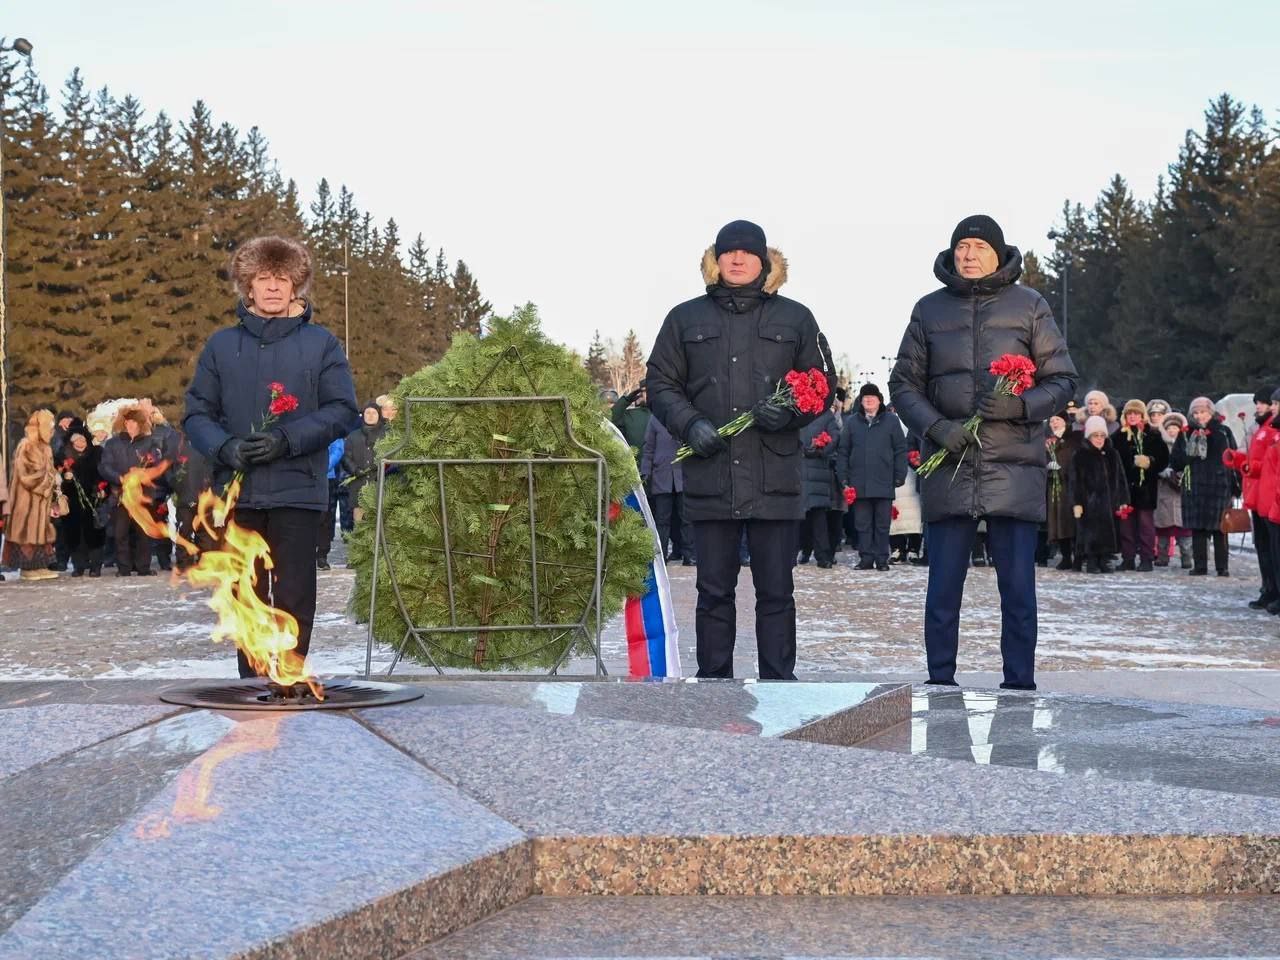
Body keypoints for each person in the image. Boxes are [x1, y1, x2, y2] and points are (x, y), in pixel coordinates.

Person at [889, 214, 1077, 691]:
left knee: (1017, 591)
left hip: (1013, 469)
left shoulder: (1030, 306)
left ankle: (1019, 685)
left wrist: (1020, 405)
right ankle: (940, 683)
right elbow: (903, 384)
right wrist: (936, 426)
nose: (968, 255)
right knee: (942, 591)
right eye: (962, 247)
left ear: (998, 252)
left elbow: (1063, 380)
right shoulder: (928, 310)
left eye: (978, 247)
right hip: (949, 466)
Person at [647, 219, 831, 680]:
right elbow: (660, 382)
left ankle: (778, 684)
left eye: (747, 252)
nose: (737, 259)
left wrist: (788, 415)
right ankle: (713, 682)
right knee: (713, 592)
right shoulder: (684, 318)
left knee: (775, 592)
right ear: (715, 260)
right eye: (728, 252)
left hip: (775, 478)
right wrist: (691, 425)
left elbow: (822, 386)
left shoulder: (796, 318)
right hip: (712, 475)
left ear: (764, 261)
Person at [184, 235, 358, 679]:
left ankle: (293, 676)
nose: (274, 287)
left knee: (296, 594)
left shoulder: (322, 344)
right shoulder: (222, 346)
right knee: (246, 593)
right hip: (239, 491)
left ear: (297, 285)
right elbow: (196, 413)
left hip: (298, 489)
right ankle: (254, 683)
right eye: (264, 278)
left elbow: (342, 411)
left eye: (282, 278)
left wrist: (287, 439)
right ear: (248, 286)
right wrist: (225, 447)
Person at [836, 383, 907, 571]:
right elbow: (843, 451)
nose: (868, 400)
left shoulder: (891, 421)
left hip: (884, 481)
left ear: (879, 400)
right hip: (859, 483)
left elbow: (900, 449)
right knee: (862, 524)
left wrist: (900, 474)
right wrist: (843, 478)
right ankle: (866, 558)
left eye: (872, 397)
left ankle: (882, 559)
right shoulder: (852, 422)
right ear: (861, 401)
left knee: (882, 525)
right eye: (865, 397)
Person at [1170, 396, 1238, 577]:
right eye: (1196, 413)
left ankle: (1222, 566)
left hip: (1219, 485)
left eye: (1203, 412)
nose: (1200, 416)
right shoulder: (1185, 433)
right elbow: (1176, 461)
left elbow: (1234, 457)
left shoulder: (1223, 432)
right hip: (1195, 486)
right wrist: (1189, 453)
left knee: (1220, 528)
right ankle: (1200, 565)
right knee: (1198, 528)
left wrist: (1236, 486)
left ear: (1211, 412)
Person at [99, 405, 165, 577]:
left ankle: (143, 567)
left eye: (133, 421)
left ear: (140, 423)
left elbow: (158, 463)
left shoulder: (150, 442)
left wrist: (143, 471)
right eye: (127, 421)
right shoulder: (113, 443)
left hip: (142, 495)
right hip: (120, 494)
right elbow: (104, 466)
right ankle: (124, 568)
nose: (129, 424)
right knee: (121, 532)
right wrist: (120, 478)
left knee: (142, 532)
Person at [1111, 399, 1169, 572]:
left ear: (1142, 415)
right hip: (1125, 487)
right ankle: (1128, 558)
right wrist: (1128, 463)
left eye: (1136, 413)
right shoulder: (1118, 436)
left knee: (1146, 526)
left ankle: (1147, 558)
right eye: (1129, 413)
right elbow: (1113, 460)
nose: (1133, 416)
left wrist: (1150, 462)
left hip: (1146, 488)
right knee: (1126, 526)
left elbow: (1164, 459)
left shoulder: (1153, 435)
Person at [2, 410, 59, 581]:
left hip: (40, 501)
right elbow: (25, 476)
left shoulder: (46, 448)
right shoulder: (26, 445)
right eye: (49, 426)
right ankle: (27, 569)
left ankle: (39, 566)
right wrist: (46, 484)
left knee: (40, 533)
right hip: (26, 501)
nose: (51, 430)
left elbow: (49, 471)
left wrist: (53, 480)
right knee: (27, 534)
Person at [1070, 415, 1130, 574]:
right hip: (1089, 502)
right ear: (1089, 436)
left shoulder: (1112, 453)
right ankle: (1091, 560)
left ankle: (1104, 559)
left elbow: (1121, 478)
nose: (1099, 439)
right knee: (1090, 532)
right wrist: (1076, 502)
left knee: (1108, 531)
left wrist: (1123, 500)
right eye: (1095, 436)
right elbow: (1075, 481)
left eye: (1102, 435)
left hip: (1110, 502)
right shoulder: (1080, 455)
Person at [1239, 387, 1280, 608]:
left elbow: (1269, 465)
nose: (1262, 407)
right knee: (1265, 547)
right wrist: (1240, 461)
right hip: (1259, 493)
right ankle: (1269, 589)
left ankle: (1273, 591)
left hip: (1270, 495)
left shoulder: (1271, 430)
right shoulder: (1263, 428)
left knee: (1272, 548)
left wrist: (1251, 466)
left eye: (1267, 403)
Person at [640, 414, 694, 565]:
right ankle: (661, 555)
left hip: (682, 476)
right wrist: (645, 471)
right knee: (662, 520)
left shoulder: (683, 417)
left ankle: (689, 555)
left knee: (686, 518)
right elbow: (648, 447)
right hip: (661, 476)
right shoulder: (655, 419)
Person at [60, 424, 106, 577]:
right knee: (74, 535)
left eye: (83, 439)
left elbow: (103, 473)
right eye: (76, 441)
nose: (80, 443)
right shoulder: (64, 457)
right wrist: (66, 479)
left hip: (93, 499)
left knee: (94, 533)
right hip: (73, 502)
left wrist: (100, 488)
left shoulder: (97, 453)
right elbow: (58, 480)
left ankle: (95, 566)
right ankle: (78, 566)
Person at [798, 401, 840, 568]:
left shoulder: (824, 414)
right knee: (803, 518)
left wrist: (820, 449)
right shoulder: (796, 410)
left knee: (817, 517)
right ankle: (808, 552)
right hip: (801, 470)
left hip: (815, 471)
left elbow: (834, 437)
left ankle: (821, 555)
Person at [1045, 410, 1081, 570]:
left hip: (1071, 486)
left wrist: (1063, 470)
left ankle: (1078, 556)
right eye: (1052, 420)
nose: (1054, 423)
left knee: (1073, 522)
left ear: (1065, 421)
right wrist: (1048, 468)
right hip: (1054, 486)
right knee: (1058, 523)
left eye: (1057, 419)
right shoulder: (1047, 441)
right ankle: (1066, 556)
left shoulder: (1074, 439)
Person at [1154, 412, 1191, 569]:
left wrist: (1182, 474)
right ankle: (1162, 556)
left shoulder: (1186, 444)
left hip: (1182, 490)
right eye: (1169, 428)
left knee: (1183, 528)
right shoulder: (1160, 444)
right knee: (1163, 527)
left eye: (1175, 427)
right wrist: (1162, 471)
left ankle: (1187, 556)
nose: (1172, 431)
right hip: (1163, 490)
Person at [340, 402, 386, 526]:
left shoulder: (386, 435)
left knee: (378, 524)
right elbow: (345, 457)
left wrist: (380, 465)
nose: (370, 416)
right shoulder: (353, 436)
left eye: (373, 413)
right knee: (359, 524)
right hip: (358, 486)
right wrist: (355, 469)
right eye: (367, 413)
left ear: (379, 415)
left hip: (379, 485)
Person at [316, 437, 344, 570]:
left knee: (325, 518)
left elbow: (338, 449)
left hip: (327, 476)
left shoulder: (330, 424)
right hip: (305, 477)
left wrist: (323, 467)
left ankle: (322, 554)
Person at [612, 381, 651, 463]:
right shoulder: (631, 415)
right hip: (637, 469)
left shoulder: (668, 413)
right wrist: (626, 399)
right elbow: (611, 420)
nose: (648, 394)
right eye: (644, 391)